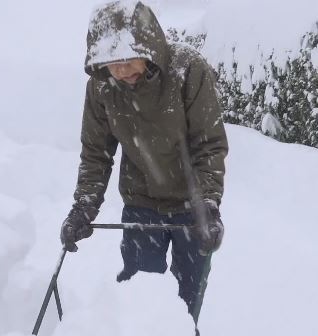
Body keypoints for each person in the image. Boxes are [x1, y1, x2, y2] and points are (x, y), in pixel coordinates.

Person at [60, 0, 229, 317]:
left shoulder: (187, 70)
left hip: (192, 205)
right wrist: (83, 206)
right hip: (141, 202)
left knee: (185, 301)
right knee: (138, 299)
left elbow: (208, 144)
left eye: (126, 59)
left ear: (148, 46)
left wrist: (208, 204)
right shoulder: (102, 87)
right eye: (111, 63)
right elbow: (96, 153)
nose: (120, 71)